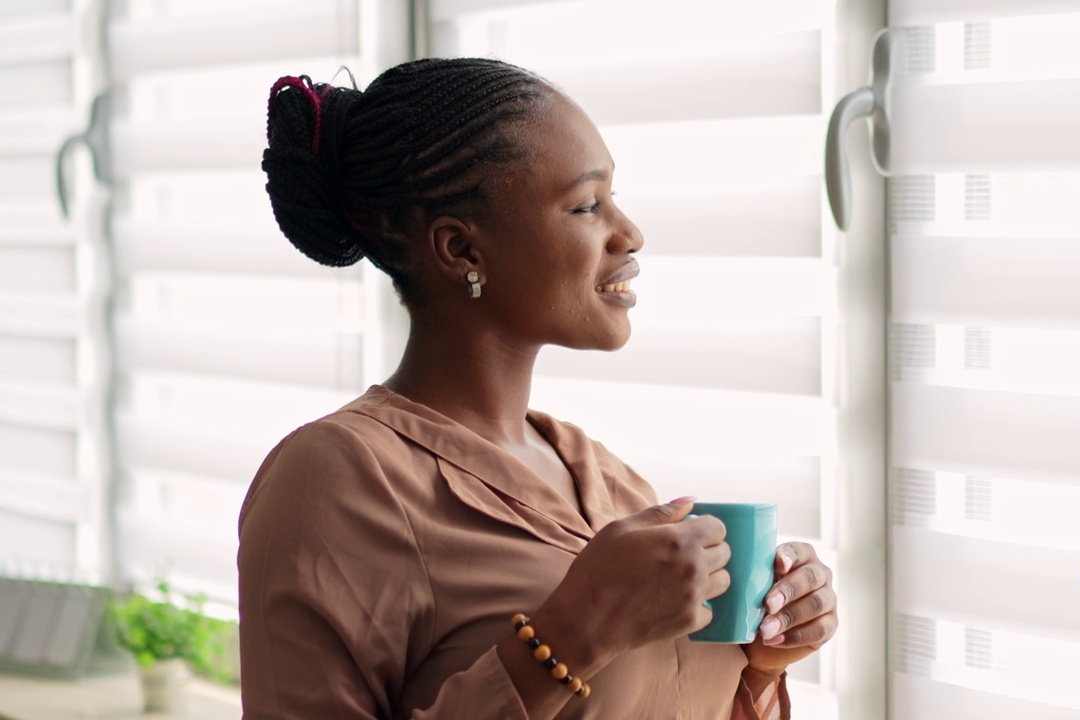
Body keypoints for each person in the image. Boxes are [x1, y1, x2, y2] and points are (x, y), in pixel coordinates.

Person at [239, 57, 838, 720]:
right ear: (462, 250)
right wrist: (570, 638)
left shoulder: (605, 479)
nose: (629, 233)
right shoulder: (336, 479)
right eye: (586, 205)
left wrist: (760, 668)